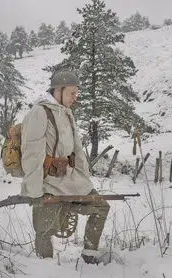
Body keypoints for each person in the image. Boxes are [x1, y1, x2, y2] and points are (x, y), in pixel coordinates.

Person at [20, 70, 110, 264]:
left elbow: (76, 149)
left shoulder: (67, 113)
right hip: (48, 182)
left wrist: (84, 179)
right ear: (58, 90)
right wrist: (34, 191)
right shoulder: (39, 112)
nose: (75, 98)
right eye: (71, 93)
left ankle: (90, 256)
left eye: (76, 93)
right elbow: (32, 154)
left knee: (100, 207)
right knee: (44, 230)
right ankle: (45, 270)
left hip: (69, 179)